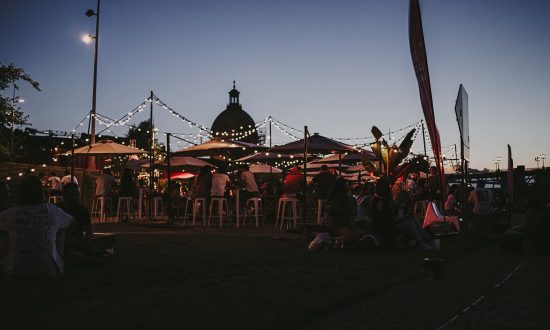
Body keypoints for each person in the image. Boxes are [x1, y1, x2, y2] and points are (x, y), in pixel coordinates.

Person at [0, 176, 73, 279]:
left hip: (15, 271)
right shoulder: (52, 211)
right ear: (41, 191)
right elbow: (71, 221)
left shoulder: (11, 214)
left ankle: (7, 260)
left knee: (4, 231)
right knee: (62, 229)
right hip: (51, 272)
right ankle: (56, 259)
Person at [57, 183, 114, 258]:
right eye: (72, 195)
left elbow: (88, 231)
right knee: (64, 235)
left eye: (77, 195)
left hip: (78, 242)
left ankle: (80, 252)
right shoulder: (57, 209)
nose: (76, 198)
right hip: (61, 242)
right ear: (64, 196)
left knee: (110, 239)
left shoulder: (81, 209)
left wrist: (87, 242)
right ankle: (81, 252)